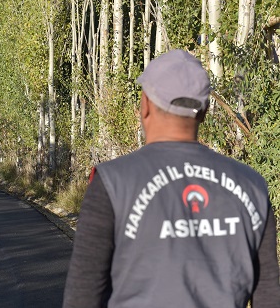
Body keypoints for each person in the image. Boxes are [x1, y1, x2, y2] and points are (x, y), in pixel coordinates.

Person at [63, 49, 280, 308]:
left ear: (144, 106)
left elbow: (82, 295)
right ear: (204, 110)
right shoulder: (252, 186)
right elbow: (268, 293)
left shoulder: (112, 183)